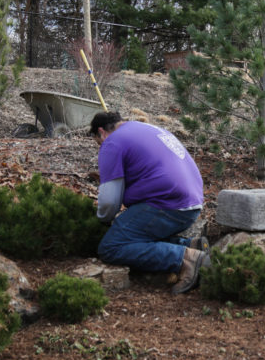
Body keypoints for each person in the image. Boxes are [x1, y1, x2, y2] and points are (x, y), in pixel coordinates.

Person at [89, 111, 210, 294]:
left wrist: (103, 220)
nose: (101, 147)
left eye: (98, 142)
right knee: (137, 235)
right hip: (192, 203)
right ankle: (191, 245)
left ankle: (187, 259)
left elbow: (109, 202)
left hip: (168, 204)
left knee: (111, 247)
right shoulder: (148, 128)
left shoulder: (112, 142)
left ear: (101, 132)